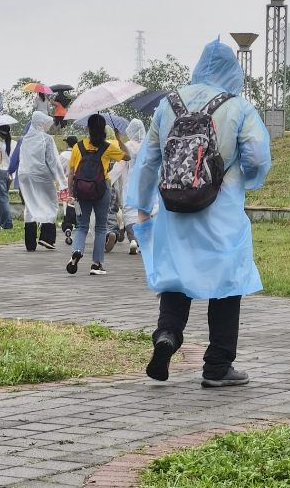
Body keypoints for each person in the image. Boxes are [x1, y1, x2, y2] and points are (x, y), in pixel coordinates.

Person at [128, 39, 271, 388]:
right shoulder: (238, 107)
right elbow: (256, 157)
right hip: (221, 211)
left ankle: (167, 334)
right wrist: (244, 176)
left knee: (176, 276)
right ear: (233, 71)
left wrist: (142, 207)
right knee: (227, 282)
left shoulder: (168, 105)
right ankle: (218, 365)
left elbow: (148, 161)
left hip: (174, 208)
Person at [66, 115, 128, 274]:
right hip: (102, 189)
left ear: (88, 128)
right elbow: (127, 157)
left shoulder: (78, 146)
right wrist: (119, 139)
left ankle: (76, 251)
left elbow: (71, 172)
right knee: (100, 227)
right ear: (104, 129)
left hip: (81, 189)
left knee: (81, 226)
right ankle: (96, 264)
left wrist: (71, 192)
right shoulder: (107, 147)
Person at [18, 112, 67, 251]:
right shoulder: (46, 139)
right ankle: (47, 237)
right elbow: (53, 161)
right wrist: (62, 180)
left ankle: (30, 243)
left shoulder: (24, 139)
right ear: (41, 123)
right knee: (50, 203)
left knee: (30, 205)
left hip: (25, 175)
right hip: (41, 175)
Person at [120, 118, 146, 255]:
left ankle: (133, 239)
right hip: (146, 181)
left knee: (129, 211)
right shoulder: (148, 145)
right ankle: (144, 240)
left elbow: (120, 167)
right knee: (145, 211)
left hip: (130, 181)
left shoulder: (127, 146)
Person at [0, 125, 16, 230]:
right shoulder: (15, 143)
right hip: (11, 173)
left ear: (0, 134)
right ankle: (2, 222)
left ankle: (7, 223)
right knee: (3, 197)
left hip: (1, 171)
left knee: (2, 198)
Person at [59, 136, 78, 244]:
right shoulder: (79, 153)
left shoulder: (63, 155)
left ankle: (67, 225)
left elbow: (59, 169)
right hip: (78, 184)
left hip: (65, 184)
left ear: (67, 144)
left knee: (67, 208)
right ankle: (79, 226)